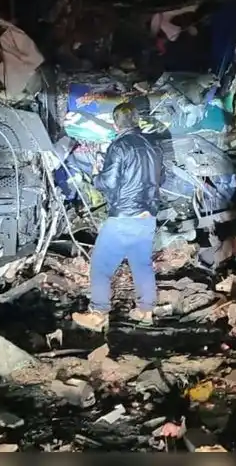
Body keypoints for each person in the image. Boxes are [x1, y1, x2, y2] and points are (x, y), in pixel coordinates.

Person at [72, 102, 163, 331]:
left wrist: (95, 176)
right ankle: (145, 311)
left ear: (116, 123)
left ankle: (98, 314)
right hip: (147, 216)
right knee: (141, 263)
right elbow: (161, 179)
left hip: (124, 216)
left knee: (101, 266)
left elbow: (109, 183)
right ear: (137, 120)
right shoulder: (153, 146)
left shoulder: (120, 146)